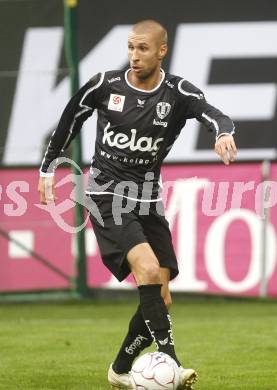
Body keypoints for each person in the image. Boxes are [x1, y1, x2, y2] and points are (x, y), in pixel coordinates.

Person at [38, 20, 237, 389]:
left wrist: (223, 132)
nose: (134, 55)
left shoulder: (177, 92)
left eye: (142, 48)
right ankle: (172, 365)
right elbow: (70, 119)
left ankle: (120, 368)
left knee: (161, 295)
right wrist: (49, 167)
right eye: (131, 47)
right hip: (105, 193)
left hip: (147, 199)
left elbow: (214, 114)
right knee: (146, 269)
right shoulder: (105, 85)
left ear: (162, 50)